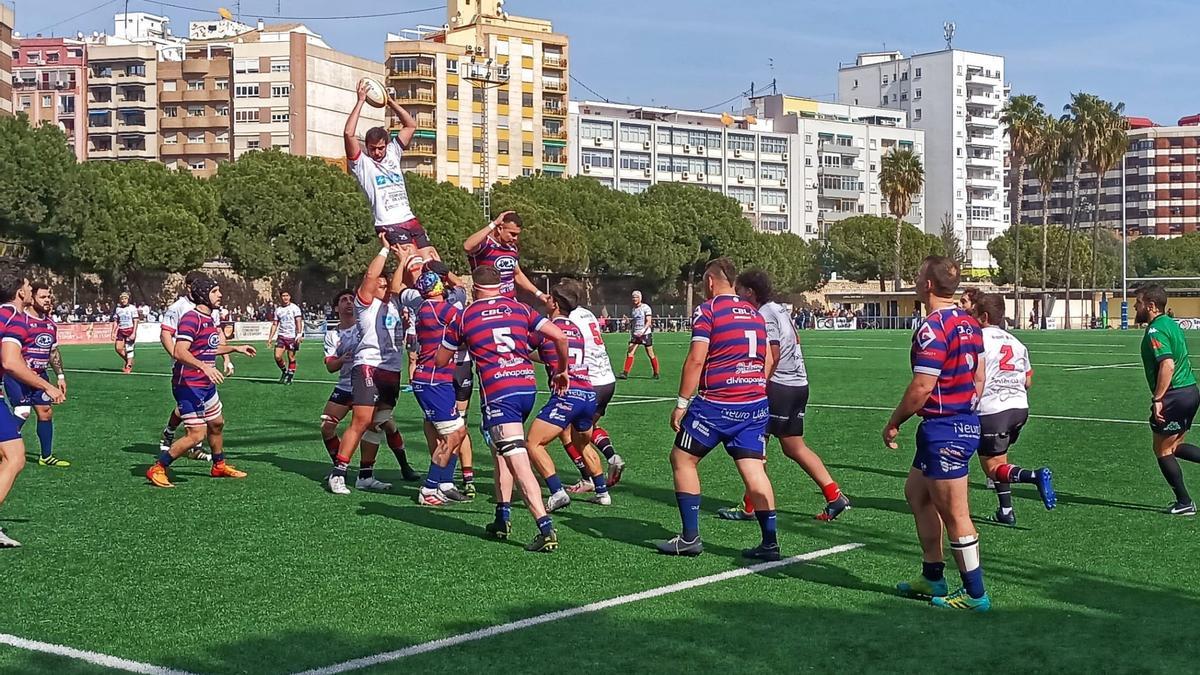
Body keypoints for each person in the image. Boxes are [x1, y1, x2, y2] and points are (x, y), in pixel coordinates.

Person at [436, 265, 570, 552]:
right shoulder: (519, 308)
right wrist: (561, 370)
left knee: (517, 459)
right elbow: (559, 336)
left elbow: (440, 360)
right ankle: (502, 516)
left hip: (499, 393)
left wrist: (456, 340)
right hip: (526, 389)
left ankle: (545, 528)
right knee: (501, 452)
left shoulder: (465, 316)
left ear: (476, 289)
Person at [885, 255, 990, 612]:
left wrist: (895, 419)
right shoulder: (970, 323)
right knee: (917, 493)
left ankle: (975, 594)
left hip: (945, 428)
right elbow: (980, 374)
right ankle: (933, 575)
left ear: (928, 284)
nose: (915, 279)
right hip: (957, 423)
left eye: (917, 274)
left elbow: (923, 386)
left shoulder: (933, 327)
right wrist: (966, 405)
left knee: (956, 513)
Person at [656, 258, 778, 560]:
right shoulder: (754, 313)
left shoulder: (708, 311)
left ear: (710, 282)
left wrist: (682, 403)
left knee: (682, 458)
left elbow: (697, 359)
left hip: (717, 405)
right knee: (753, 468)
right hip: (754, 403)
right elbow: (765, 361)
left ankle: (689, 538)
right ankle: (770, 542)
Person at [718, 270, 850, 522]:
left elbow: (773, 353)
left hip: (779, 387)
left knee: (756, 446)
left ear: (750, 292)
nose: (737, 297)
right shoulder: (778, 309)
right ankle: (834, 496)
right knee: (793, 446)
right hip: (798, 384)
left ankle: (751, 506)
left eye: (739, 291)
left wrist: (758, 384)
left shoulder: (765, 314)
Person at [146, 277, 257, 488]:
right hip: (188, 384)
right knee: (197, 434)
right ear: (203, 295)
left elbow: (208, 349)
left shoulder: (209, 318)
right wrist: (204, 367)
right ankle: (158, 467)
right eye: (215, 291)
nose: (220, 295)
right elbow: (180, 351)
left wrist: (235, 348)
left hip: (205, 385)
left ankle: (218, 465)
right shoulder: (191, 318)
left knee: (217, 423)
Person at [327, 241, 418, 496]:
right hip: (368, 366)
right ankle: (339, 472)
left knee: (378, 423)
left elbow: (406, 282)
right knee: (362, 419)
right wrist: (386, 250)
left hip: (391, 370)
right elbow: (370, 275)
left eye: (387, 283)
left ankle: (366, 475)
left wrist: (407, 257)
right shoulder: (365, 304)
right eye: (381, 283)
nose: (384, 286)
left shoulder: (397, 303)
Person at [968, 293, 1055, 526]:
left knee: (992, 468)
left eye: (974, 313)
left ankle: (1034, 476)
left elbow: (974, 374)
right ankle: (1006, 511)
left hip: (993, 409)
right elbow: (1028, 381)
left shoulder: (978, 339)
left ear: (983, 316)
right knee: (1000, 461)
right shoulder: (1017, 342)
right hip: (1019, 407)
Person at [527, 285, 612, 510]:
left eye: (549, 297)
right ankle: (602, 492)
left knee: (533, 443)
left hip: (567, 394)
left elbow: (525, 346)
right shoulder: (575, 328)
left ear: (555, 303)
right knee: (581, 443)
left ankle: (556, 491)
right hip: (588, 393)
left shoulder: (547, 328)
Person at [0, 272, 66, 547]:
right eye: (29, 287)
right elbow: (11, 363)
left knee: (10, 454)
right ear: (20, 292)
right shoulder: (13, 318)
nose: (31, 291)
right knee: (15, 457)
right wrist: (47, 386)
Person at [344, 81, 439, 271]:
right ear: (367, 148)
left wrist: (390, 102)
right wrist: (361, 101)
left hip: (409, 218)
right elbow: (348, 133)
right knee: (413, 263)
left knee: (432, 259)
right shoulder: (362, 164)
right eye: (373, 149)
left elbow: (411, 125)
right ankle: (411, 298)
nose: (377, 153)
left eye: (381, 148)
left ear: (386, 145)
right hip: (388, 223)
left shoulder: (394, 152)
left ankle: (441, 298)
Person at [405, 270, 470, 506]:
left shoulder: (427, 307)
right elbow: (468, 321)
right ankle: (429, 488)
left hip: (437, 378)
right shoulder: (440, 309)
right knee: (451, 436)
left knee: (459, 432)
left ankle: (444, 484)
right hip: (433, 380)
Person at [1135, 284, 1200, 516]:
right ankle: (1184, 502)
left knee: (1162, 450)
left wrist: (1158, 399)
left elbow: (1167, 364)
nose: (1135, 307)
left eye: (1138, 303)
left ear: (1151, 306)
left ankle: (1184, 502)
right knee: (1174, 446)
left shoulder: (1156, 330)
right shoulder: (1170, 324)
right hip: (1190, 390)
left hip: (1174, 394)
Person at [556, 278, 625, 493]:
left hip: (590, 381)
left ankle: (587, 478)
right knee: (586, 430)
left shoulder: (568, 320)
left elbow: (563, 348)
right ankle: (612, 456)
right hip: (607, 380)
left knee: (566, 432)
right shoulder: (587, 314)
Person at [2, 282, 70, 467]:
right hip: (18, 377)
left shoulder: (50, 325)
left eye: (49, 297)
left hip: (40, 376)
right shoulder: (19, 320)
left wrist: (61, 376)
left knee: (46, 413)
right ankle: (5, 448)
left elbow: (53, 353)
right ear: (31, 299)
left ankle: (46, 456)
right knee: (22, 412)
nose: (48, 300)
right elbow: (10, 356)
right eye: (43, 297)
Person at [433, 260, 479, 497]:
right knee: (457, 424)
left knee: (448, 426)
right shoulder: (458, 294)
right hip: (459, 365)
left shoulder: (429, 302)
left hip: (445, 367)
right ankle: (458, 477)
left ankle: (447, 477)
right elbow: (459, 283)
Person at [159, 271, 212, 462]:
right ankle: (190, 446)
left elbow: (215, 336)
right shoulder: (178, 308)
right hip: (186, 368)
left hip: (205, 366)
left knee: (196, 407)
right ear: (188, 286)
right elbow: (166, 334)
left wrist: (228, 358)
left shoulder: (209, 306)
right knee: (191, 405)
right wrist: (178, 356)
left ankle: (172, 432)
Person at [463, 211, 545, 301]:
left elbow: (517, 274)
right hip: (488, 302)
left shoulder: (512, 248)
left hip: (510, 301)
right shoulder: (485, 244)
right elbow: (467, 246)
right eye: (512, 234)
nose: (515, 238)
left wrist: (539, 294)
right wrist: (494, 224)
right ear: (500, 229)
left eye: (517, 235)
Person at [618, 290, 659, 380]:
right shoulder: (633, 309)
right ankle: (625, 373)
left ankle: (656, 373)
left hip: (645, 334)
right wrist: (628, 321)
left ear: (640, 298)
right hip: (635, 334)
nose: (634, 299)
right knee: (630, 352)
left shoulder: (646, 308)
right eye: (633, 297)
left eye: (636, 297)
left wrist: (643, 330)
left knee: (650, 354)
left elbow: (648, 321)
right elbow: (635, 321)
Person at [267, 291, 303, 384]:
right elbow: (275, 324)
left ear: (290, 297)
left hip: (292, 337)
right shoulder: (278, 310)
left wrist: (299, 334)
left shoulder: (295, 308)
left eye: (287, 295)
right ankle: (284, 372)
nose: (285, 297)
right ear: (281, 297)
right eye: (283, 296)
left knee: (291, 357)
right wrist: (270, 338)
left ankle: (290, 378)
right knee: (277, 356)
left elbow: (298, 321)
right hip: (281, 336)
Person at [112, 292, 139, 374]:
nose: (123, 300)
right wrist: (113, 332)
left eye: (125, 298)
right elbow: (116, 321)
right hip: (121, 330)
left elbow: (136, 320)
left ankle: (128, 366)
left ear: (128, 299)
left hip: (129, 330)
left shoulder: (132, 308)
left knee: (129, 349)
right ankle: (129, 361)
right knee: (118, 348)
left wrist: (134, 332)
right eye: (122, 299)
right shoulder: (118, 309)